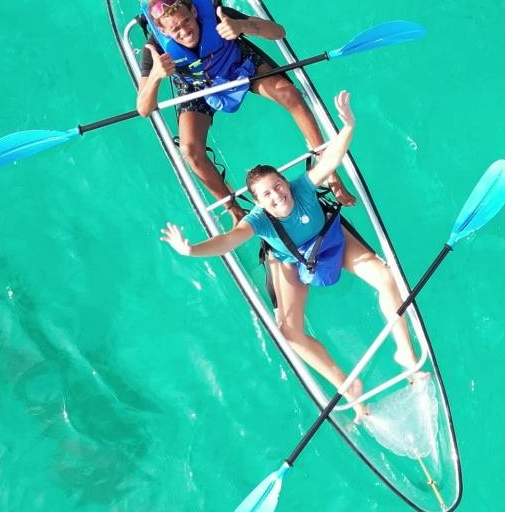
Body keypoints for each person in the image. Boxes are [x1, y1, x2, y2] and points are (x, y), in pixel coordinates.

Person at [160, 91, 418, 409]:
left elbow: (332, 159)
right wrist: (191, 250)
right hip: (289, 259)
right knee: (289, 333)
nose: (276, 195)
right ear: (257, 202)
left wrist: (348, 127)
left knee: (386, 277)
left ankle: (404, 351)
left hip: (330, 239)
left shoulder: (303, 186)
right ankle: (347, 385)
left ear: (286, 181)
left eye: (278, 186)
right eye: (266, 194)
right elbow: (228, 240)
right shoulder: (258, 221)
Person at [136, 0, 354, 219]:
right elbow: (144, 108)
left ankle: (327, 168)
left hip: (239, 66)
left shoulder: (217, 14)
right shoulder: (155, 49)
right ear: (163, 31)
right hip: (197, 88)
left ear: (195, 13)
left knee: (289, 93)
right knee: (190, 150)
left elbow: (278, 32)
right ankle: (234, 211)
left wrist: (242, 26)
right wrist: (156, 77)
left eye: (186, 21)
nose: (184, 31)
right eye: (175, 29)